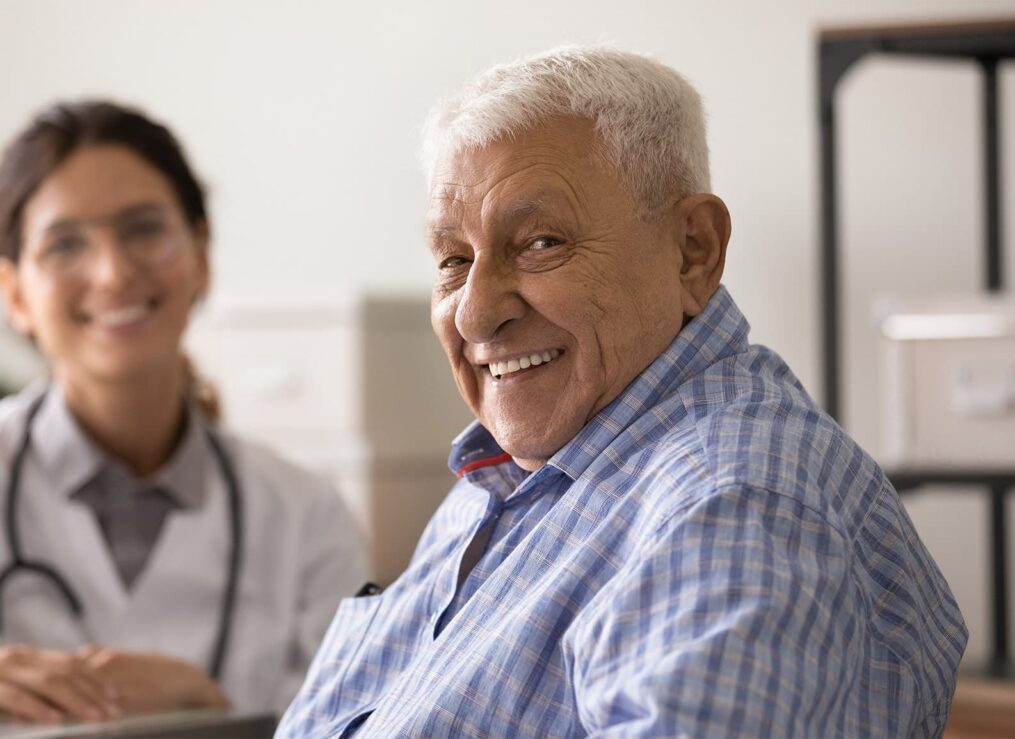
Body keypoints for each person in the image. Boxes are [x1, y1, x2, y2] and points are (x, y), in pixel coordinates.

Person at [279, 46, 970, 738]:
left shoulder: (732, 504)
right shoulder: (515, 472)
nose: (474, 313)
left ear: (693, 249)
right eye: (454, 260)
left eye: (541, 242)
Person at [0, 100, 368, 724]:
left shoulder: (307, 518)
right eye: (64, 245)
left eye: (143, 229)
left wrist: (211, 710)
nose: (113, 272)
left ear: (200, 255)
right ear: (15, 294)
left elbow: (361, 720)